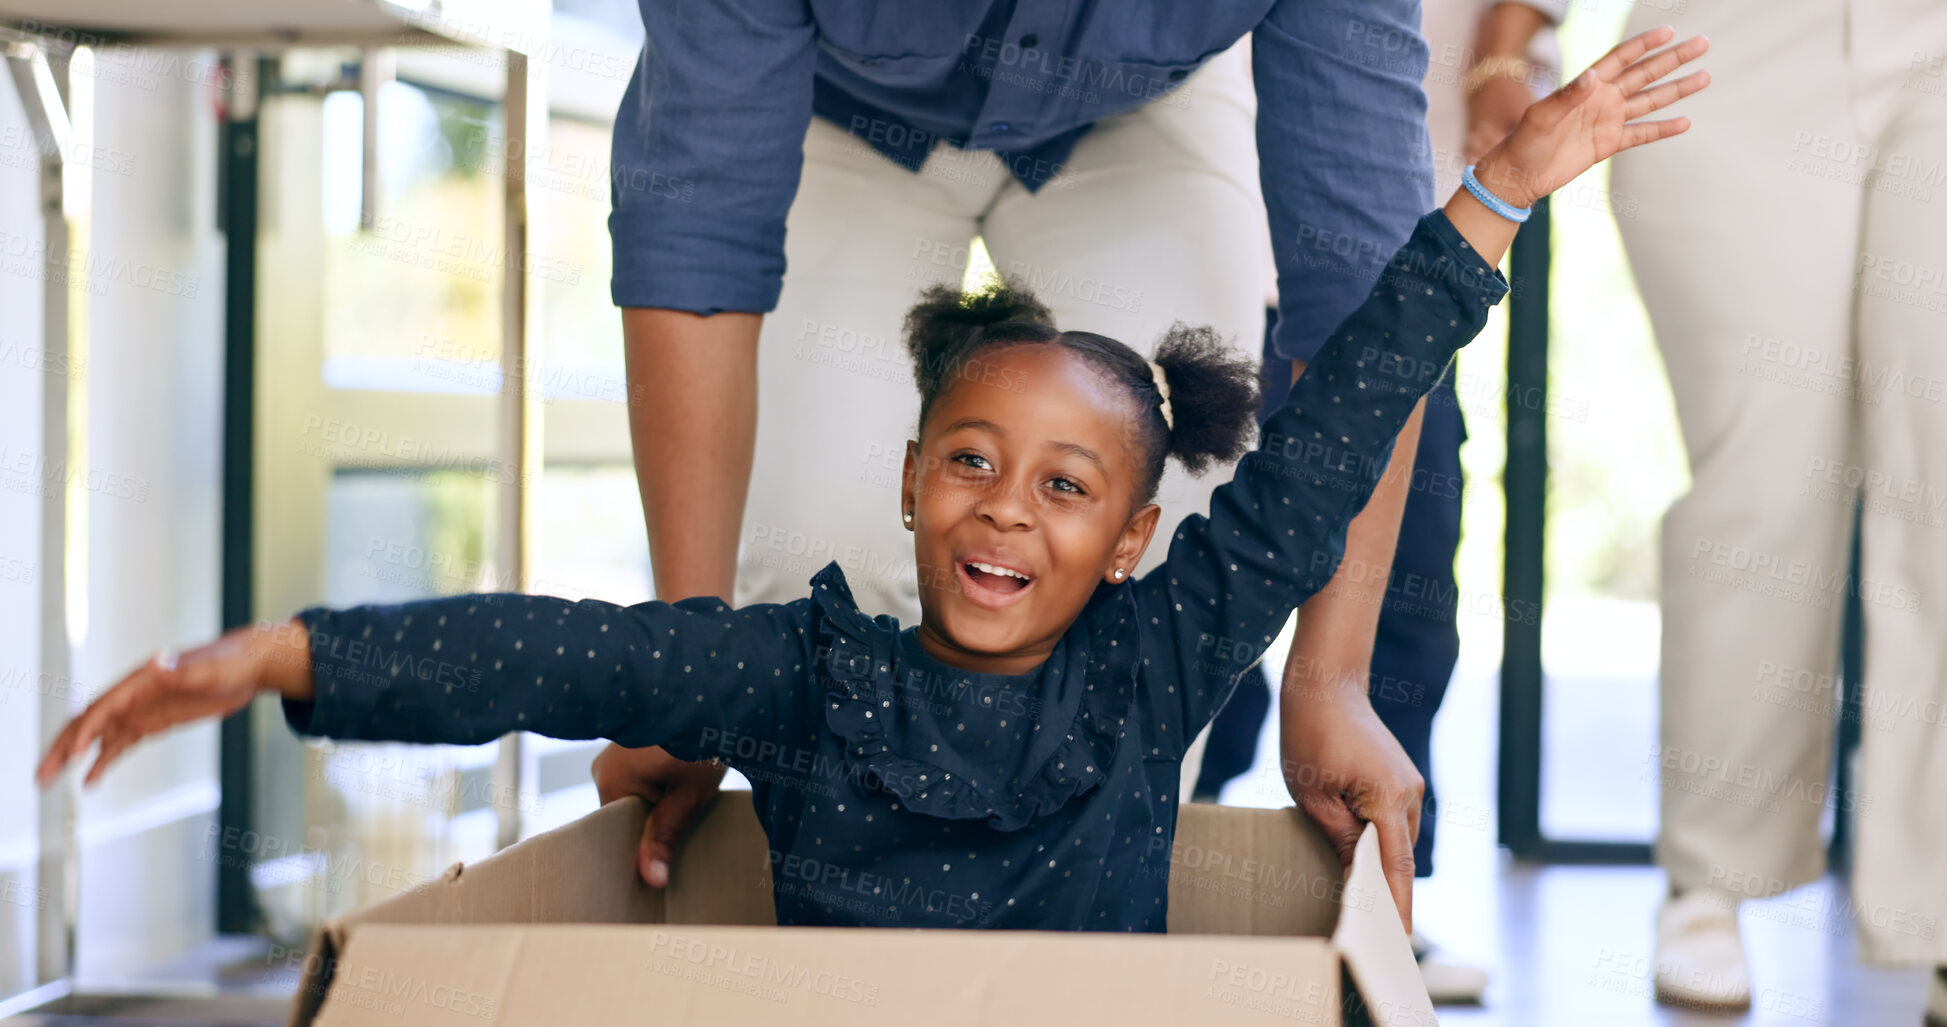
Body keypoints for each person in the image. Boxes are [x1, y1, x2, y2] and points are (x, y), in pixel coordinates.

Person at [36, 29, 1709, 934]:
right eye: (967, 465)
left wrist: (1497, 188)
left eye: (1065, 491)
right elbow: (547, 655)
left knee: (1243, 454)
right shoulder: (794, 669)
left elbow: (1340, 386)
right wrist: (282, 655)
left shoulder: (1166, 646)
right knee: (754, 565)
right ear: (908, 477)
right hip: (833, 102)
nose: (999, 508)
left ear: (1132, 542)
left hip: (1148, 100)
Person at [598, 0, 1446, 928]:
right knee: (811, 561)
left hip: (1134, 108)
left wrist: (1331, 680)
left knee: (1158, 585)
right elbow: (695, 242)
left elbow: (1363, 286)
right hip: (826, 94)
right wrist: (687, 668)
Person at [1192, 0, 1565, 1003]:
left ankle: (1389, 892)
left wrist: (1501, 59)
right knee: (1190, 561)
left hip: (1396, 229)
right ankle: (1187, 844)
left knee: (1405, 593)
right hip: (1199, 196)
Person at [1610, 0, 1947, 1014]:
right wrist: (1510, 40)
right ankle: (1709, 876)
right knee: (1764, 476)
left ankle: (1939, 910)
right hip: (1733, 42)